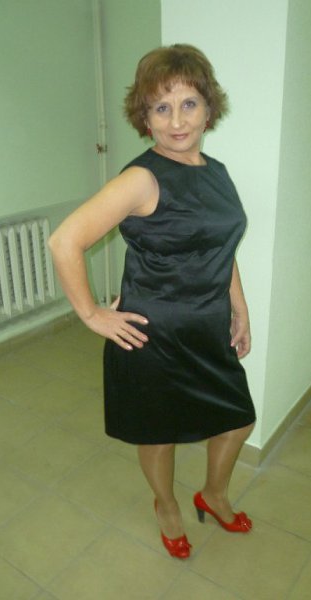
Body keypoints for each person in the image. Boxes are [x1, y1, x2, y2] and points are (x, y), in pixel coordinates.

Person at [48, 44, 256, 559]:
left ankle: (213, 494)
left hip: (207, 324)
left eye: (188, 104)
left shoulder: (217, 171)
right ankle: (165, 503)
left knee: (239, 419)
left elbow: (221, 248)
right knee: (158, 433)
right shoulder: (142, 178)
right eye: (161, 108)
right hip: (153, 333)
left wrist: (240, 307)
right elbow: (64, 241)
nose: (176, 121)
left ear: (209, 108)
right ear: (145, 118)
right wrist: (92, 314)